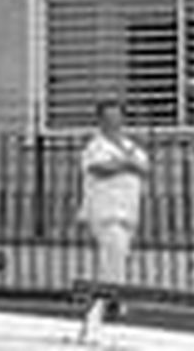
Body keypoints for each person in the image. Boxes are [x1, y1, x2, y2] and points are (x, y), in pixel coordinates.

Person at [79, 98, 150, 286]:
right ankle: (112, 301)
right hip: (106, 213)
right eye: (108, 117)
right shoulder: (95, 146)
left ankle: (108, 301)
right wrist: (126, 164)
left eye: (117, 116)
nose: (113, 121)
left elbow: (144, 168)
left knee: (119, 258)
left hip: (128, 211)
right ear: (100, 120)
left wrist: (123, 164)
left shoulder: (131, 146)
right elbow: (99, 168)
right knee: (114, 254)